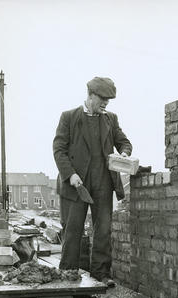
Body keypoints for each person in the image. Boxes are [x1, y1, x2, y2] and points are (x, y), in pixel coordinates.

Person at [53, 77, 132, 287]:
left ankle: (100, 273)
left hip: (103, 183)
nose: (106, 103)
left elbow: (124, 142)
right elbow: (59, 149)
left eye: (108, 100)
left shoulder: (111, 119)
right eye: (102, 99)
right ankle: (68, 273)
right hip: (76, 184)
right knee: (73, 230)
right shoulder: (69, 117)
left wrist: (124, 153)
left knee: (103, 230)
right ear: (90, 96)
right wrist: (70, 175)